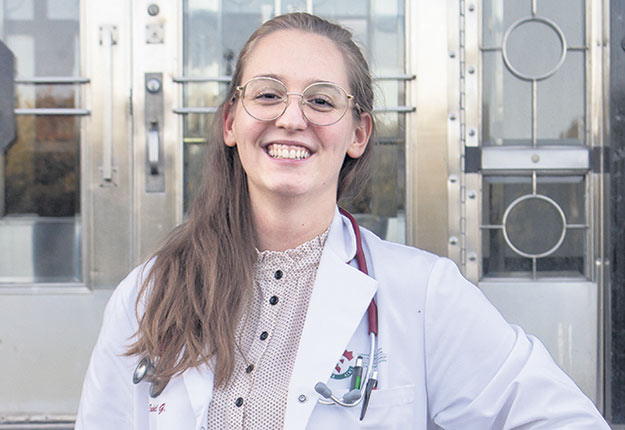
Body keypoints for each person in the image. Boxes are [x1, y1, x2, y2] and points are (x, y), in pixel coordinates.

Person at [76, 12, 611, 430]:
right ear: (231, 122)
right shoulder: (149, 294)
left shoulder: (421, 295)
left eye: (321, 100)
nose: (291, 117)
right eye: (267, 94)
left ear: (358, 133)